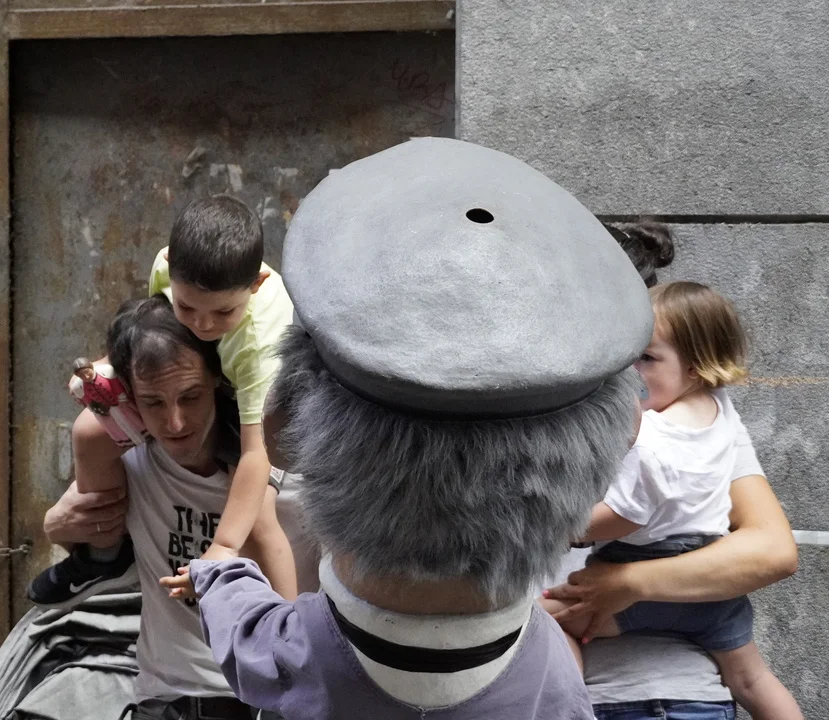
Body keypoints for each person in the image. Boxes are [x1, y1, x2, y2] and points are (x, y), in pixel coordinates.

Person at [163, 137, 652, 718]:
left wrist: (219, 575)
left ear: (284, 429)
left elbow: (243, 628)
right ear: (617, 440)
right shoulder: (550, 671)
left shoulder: (297, 654)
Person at [543, 282, 801, 719]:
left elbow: (626, 516)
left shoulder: (653, 440)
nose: (630, 372)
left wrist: (558, 529)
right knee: (752, 678)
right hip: (708, 580)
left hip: (644, 579)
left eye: (645, 358)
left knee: (544, 622)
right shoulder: (717, 410)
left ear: (695, 368)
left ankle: (571, 709)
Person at [28, 196, 296, 608]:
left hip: (262, 403)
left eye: (223, 313)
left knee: (259, 518)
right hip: (209, 373)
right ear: (169, 267)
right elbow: (151, 331)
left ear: (256, 285)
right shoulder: (163, 270)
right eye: (187, 307)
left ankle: (291, 628)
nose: (202, 324)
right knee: (88, 431)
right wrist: (106, 367)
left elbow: (255, 453)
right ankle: (104, 556)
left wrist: (223, 546)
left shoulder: (258, 341)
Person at [44, 295, 278, 720]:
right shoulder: (131, 461)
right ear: (131, 397)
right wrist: (55, 528)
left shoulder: (279, 468)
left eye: (191, 397)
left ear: (219, 380)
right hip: (165, 702)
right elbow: (89, 446)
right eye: (153, 402)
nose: (175, 423)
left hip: (266, 702)